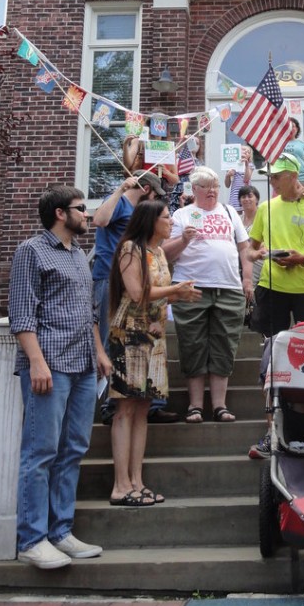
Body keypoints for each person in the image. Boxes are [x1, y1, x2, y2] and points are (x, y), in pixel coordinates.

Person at [8, 184, 110, 569]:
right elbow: (22, 312)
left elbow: (89, 312)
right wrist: (35, 360)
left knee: (73, 450)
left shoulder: (79, 256)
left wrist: (99, 353)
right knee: (40, 453)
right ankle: (32, 539)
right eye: (81, 208)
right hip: (49, 366)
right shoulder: (31, 251)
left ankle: (60, 532)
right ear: (60, 214)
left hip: (83, 366)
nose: (87, 214)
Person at [107, 201, 201, 506]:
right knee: (125, 408)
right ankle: (120, 485)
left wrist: (178, 292)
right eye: (165, 217)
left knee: (143, 408)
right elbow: (136, 293)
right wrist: (176, 291)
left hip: (155, 333)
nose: (171, 221)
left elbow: (159, 293)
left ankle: (137, 481)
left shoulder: (159, 252)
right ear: (150, 220)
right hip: (130, 332)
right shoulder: (130, 249)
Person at [163, 166, 254, 423]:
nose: (213, 191)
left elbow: (244, 248)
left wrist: (247, 279)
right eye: (207, 187)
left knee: (224, 345)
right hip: (191, 289)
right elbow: (165, 254)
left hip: (229, 287)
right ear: (195, 190)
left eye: (215, 186)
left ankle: (219, 406)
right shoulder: (181, 215)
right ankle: (195, 406)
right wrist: (184, 240)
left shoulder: (228, 212)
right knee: (193, 344)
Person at [92, 170, 179, 425]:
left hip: (136, 282)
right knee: (112, 340)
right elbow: (98, 220)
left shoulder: (139, 216)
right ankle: (110, 404)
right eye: (153, 193)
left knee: (142, 340)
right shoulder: (118, 202)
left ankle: (148, 403)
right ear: (145, 189)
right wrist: (119, 189)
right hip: (110, 280)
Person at [248, 152, 304, 337]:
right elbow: (250, 250)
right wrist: (256, 254)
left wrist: (303, 258)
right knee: (273, 348)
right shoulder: (265, 207)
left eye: (276, 176)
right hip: (271, 287)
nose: (272, 181)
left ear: (294, 176)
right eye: (270, 177)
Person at [225, 145, 253, 211]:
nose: (246, 152)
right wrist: (227, 175)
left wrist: (246, 165)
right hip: (235, 195)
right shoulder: (233, 165)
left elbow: (246, 179)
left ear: (249, 156)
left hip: (245, 193)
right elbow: (227, 185)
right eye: (243, 149)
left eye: (248, 152)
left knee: (245, 213)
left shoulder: (250, 165)